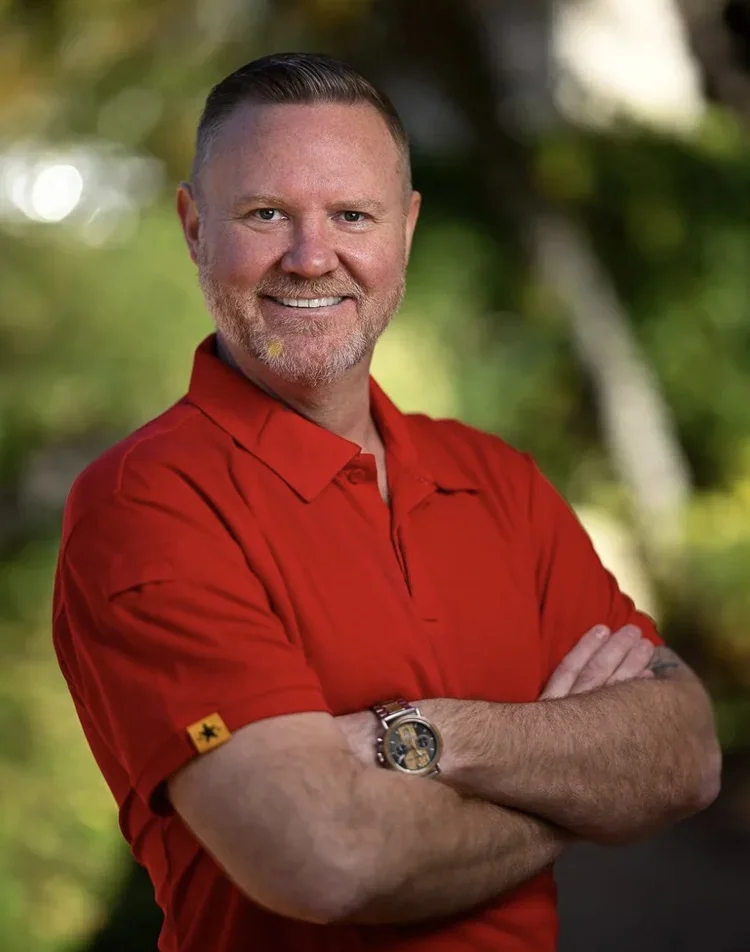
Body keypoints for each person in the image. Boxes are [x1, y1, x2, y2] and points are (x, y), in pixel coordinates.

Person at [52, 52, 721, 952]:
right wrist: (574, 794)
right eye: (265, 214)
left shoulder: (496, 481)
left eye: (352, 215)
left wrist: (420, 736)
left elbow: (685, 751)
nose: (310, 256)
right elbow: (328, 858)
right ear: (193, 226)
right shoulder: (147, 507)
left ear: (403, 231)